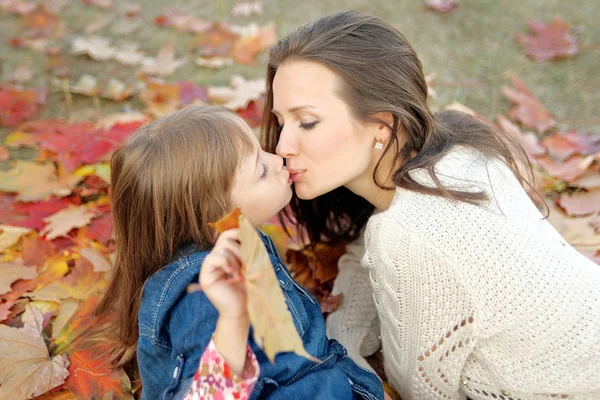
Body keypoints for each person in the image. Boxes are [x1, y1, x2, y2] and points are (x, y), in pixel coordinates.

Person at [262, 10, 600, 400]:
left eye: (306, 122)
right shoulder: (458, 150)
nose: (283, 145)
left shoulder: (409, 232)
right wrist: (346, 332)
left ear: (382, 125)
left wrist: (339, 351)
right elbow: (365, 248)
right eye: (281, 121)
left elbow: (419, 390)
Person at [93, 105, 384, 399]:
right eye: (261, 170)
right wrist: (232, 320)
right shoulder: (206, 300)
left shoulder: (234, 246)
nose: (277, 158)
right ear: (216, 216)